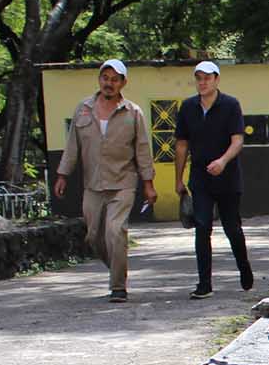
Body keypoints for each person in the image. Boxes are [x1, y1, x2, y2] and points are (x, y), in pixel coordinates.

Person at [54, 58, 155, 303]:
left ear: (123, 83)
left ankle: (118, 286)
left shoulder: (133, 113)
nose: (109, 83)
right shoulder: (83, 109)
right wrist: (62, 175)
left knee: (115, 231)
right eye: (105, 78)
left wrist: (148, 183)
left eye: (114, 79)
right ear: (99, 80)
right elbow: (72, 146)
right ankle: (116, 268)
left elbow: (142, 149)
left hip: (123, 182)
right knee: (94, 236)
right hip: (93, 184)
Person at [174, 59, 253, 298]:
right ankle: (204, 283)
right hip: (200, 177)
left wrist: (223, 161)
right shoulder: (188, 107)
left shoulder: (230, 105)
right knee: (202, 227)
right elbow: (181, 145)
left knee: (232, 228)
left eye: (207, 78)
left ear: (216, 80)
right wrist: (178, 179)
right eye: (199, 78)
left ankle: (244, 267)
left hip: (227, 177)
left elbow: (237, 140)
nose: (202, 82)